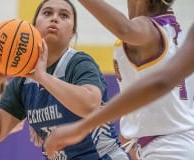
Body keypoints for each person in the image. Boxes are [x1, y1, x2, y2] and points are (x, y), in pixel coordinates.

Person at [0, 0, 129, 160]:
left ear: (72, 33)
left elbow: (90, 105)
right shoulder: (22, 82)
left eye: (64, 15)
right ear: (33, 26)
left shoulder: (79, 62)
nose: (54, 18)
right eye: (47, 13)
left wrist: (42, 77)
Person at [44, 1, 194, 160]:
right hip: (171, 144)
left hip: (169, 149)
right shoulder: (175, 32)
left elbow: (124, 28)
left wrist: (80, 128)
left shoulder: (148, 29)